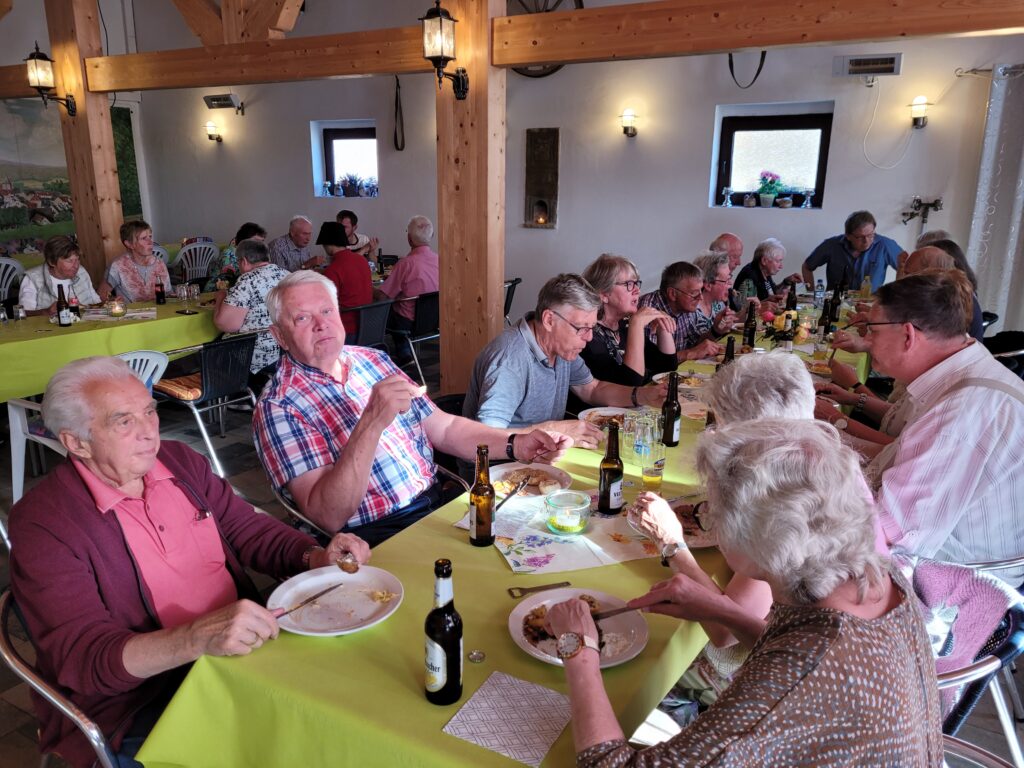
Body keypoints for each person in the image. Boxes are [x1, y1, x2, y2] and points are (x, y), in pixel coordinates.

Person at [8, 356, 372, 768]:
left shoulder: (179, 462)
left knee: (350, 705)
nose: (149, 431)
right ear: (76, 442)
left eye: (149, 411)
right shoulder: (45, 523)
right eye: (123, 421)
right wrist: (195, 639)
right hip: (142, 698)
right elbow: (82, 657)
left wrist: (314, 555)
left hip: (244, 654)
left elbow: (246, 529)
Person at [548, 419, 941, 766]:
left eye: (713, 514)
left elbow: (608, 764)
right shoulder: (874, 574)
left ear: (756, 542)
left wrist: (577, 647)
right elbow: (798, 651)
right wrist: (722, 610)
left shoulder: (804, 670)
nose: (712, 523)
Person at [252, 270, 569, 544]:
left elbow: (445, 429)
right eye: (302, 318)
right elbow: (328, 516)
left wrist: (516, 444)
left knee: (546, 537)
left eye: (327, 311)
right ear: (280, 336)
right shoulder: (279, 406)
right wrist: (371, 422)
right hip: (372, 537)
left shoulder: (372, 360)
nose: (321, 325)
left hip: (436, 506)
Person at [863, 269, 1024, 582]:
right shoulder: (966, 369)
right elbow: (899, 458)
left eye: (872, 330)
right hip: (959, 545)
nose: (867, 341)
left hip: (971, 579)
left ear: (908, 335)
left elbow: (889, 532)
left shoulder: (960, 412)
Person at [463, 274, 667, 449]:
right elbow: (486, 438)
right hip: (502, 470)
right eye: (582, 328)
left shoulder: (560, 348)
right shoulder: (510, 359)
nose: (589, 337)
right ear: (549, 320)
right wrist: (554, 429)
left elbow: (592, 389)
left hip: (544, 455)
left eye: (592, 328)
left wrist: (643, 395)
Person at [578, 253, 676, 385]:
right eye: (629, 284)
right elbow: (630, 383)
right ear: (604, 295)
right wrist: (636, 325)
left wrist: (662, 327)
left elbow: (667, 367)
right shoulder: (589, 334)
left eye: (636, 283)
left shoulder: (624, 325)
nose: (637, 290)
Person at [212, 238, 290, 390]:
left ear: (244, 261)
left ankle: (231, 394)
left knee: (212, 349)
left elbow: (227, 325)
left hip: (257, 355)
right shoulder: (287, 275)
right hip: (287, 349)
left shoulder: (247, 281)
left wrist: (220, 297)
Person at [374, 215, 440, 363]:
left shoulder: (406, 264)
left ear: (409, 239)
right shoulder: (441, 260)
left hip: (408, 323)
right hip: (436, 318)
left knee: (382, 311)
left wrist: (369, 288)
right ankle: (405, 349)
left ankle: (401, 351)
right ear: (432, 236)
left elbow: (383, 296)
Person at [638, 262, 723, 362]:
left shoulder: (686, 306)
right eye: (694, 293)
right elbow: (651, 361)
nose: (700, 297)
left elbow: (696, 343)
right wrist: (689, 353)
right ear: (672, 294)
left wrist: (716, 330)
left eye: (700, 290)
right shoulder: (649, 309)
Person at [801, 210, 907, 291]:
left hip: (870, 303)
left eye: (871, 235)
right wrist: (811, 293)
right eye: (860, 237)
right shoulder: (832, 245)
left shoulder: (885, 245)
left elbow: (907, 269)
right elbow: (807, 267)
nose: (866, 241)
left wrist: (895, 294)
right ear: (848, 236)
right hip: (837, 301)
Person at [18, 234, 101, 315]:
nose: (76, 266)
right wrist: (46, 312)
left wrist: (83, 307)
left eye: (77, 259)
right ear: (52, 262)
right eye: (69, 261)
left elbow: (96, 302)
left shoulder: (81, 272)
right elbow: (23, 313)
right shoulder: (33, 278)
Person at [318, 221, 372, 343]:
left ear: (328, 244)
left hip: (345, 331)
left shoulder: (333, 270)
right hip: (368, 328)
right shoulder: (362, 261)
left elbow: (325, 306)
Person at [98, 220, 171, 303]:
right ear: (129, 244)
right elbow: (101, 295)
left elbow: (168, 294)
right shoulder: (118, 265)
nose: (150, 242)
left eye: (150, 237)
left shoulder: (159, 263)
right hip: (130, 311)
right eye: (144, 238)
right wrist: (113, 300)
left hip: (159, 310)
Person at [731, 237, 800, 304]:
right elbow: (744, 308)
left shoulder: (764, 272)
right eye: (778, 261)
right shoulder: (750, 278)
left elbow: (772, 293)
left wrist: (786, 282)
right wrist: (766, 302)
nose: (781, 266)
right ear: (764, 261)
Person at [204, 221, 267, 291]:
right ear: (244, 241)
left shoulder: (254, 255)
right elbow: (231, 281)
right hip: (214, 292)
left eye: (262, 242)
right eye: (256, 242)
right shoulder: (228, 255)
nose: (260, 245)